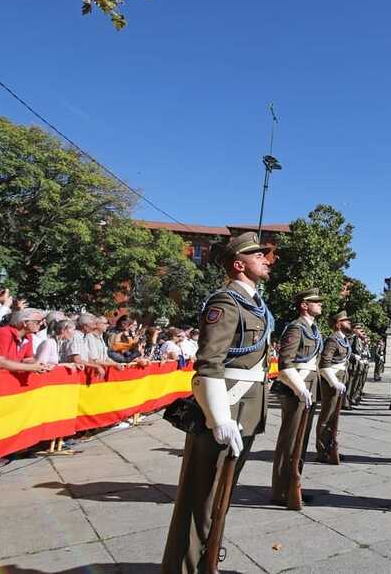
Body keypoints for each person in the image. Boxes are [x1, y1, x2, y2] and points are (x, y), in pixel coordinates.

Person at [162, 232, 274, 573]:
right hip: (226, 409)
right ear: (240, 264)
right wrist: (218, 418)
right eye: (259, 256)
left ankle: (206, 560)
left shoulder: (255, 304)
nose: (267, 260)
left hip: (247, 410)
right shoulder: (226, 303)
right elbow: (209, 363)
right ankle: (185, 566)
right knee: (202, 498)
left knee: (221, 499)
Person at [271, 288, 323, 506]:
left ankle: (294, 483)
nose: (320, 305)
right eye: (316, 302)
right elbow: (285, 362)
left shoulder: (313, 328)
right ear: (304, 305)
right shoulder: (296, 327)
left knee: (301, 440)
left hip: (309, 385)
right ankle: (281, 489)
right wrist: (300, 387)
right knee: (290, 439)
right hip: (296, 386)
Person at [316, 310, 352, 464]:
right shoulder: (333, 339)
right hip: (333, 380)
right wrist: (333, 382)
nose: (349, 322)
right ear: (338, 324)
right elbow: (324, 363)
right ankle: (322, 450)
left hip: (340, 378)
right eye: (346, 320)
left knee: (334, 417)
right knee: (328, 415)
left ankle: (331, 447)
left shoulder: (343, 339)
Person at [0, 307, 52, 374]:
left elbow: (27, 359)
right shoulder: (3, 333)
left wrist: (40, 365)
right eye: (38, 322)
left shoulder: (28, 336)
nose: (41, 324)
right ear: (25, 323)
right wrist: (32, 367)